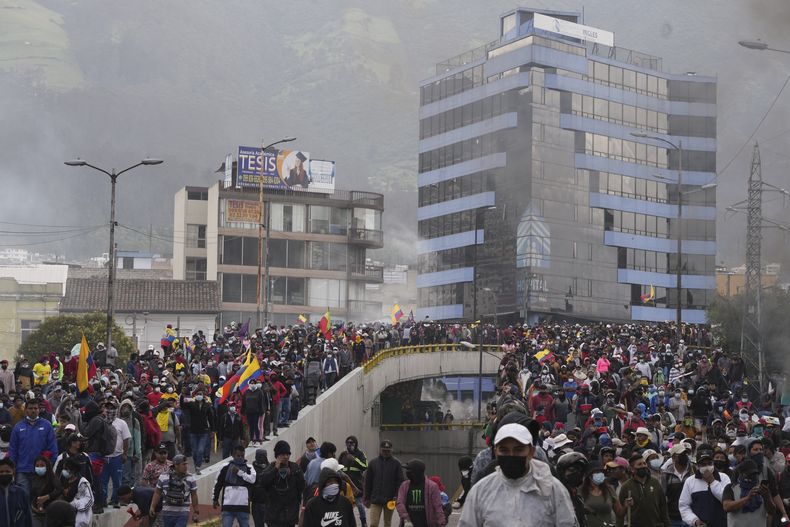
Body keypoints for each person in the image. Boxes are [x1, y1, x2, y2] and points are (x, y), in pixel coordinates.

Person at [459, 422, 576, 526]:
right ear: (495, 452)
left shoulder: (552, 489)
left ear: (531, 452)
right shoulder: (481, 491)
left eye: (518, 450)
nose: (511, 455)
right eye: (504, 450)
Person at [8, 398, 58, 493]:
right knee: (23, 498)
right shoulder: (18, 427)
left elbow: (53, 447)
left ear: (39, 410)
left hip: (41, 470)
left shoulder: (47, 425)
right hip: (22, 470)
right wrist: (12, 467)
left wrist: (50, 465)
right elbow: (13, 449)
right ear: (26, 410)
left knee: (39, 499)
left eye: (35, 408)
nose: (33, 410)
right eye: (30, 408)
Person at [678, 449, 729, 527]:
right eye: (703, 464)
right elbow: (684, 506)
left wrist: (713, 482)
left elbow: (727, 501)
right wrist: (694, 520)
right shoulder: (690, 481)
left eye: (709, 463)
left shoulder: (724, 478)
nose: (707, 467)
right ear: (697, 466)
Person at [260, 440, 305, 527]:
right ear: (277, 456)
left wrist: (291, 474)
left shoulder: (295, 468)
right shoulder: (271, 467)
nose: (285, 457)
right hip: (273, 516)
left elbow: (302, 486)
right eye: (282, 454)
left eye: (287, 454)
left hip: (290, 516)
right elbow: (262, 482)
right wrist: (275, 469)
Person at [619, 454, 670, 527]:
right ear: (632, 469)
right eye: (639, 464)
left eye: (644, 463)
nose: (643, 466)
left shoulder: (655, 482)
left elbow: (663, 508)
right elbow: (620, 514)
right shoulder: (626, 487)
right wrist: (625, 506)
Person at [212, 445, 257, 527]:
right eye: (238, 455)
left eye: (242, 456)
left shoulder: (249, 468)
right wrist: (215, 498)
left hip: (243, 507)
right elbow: (218, 484)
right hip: (228, 507)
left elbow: (252, 480)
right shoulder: (225, 467)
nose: (240, 458)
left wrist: (240, 472)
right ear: (233, 455)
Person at [150, 454, 200, 527]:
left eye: (186, 464)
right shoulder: (164, 477)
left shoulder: (191, 478)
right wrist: (152, 506)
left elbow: (194, 495)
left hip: (183, 513)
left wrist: (196, 511)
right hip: (167, 512)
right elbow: (157, 493)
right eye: (183, 464)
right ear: (176, 465)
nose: (186, 466)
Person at [363, 440, 405, 527]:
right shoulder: (373, 463)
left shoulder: (396, 464)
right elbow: (368, 482)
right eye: (384, 450)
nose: (386, 452)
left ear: (391, 450)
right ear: (380, 450)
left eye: (388, 451)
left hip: (390, 499)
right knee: (373, 523)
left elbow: (400, 481)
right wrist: (366, 497)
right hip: (375, 499)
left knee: (387, 523)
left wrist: (397, 496)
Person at [723, 459, 775, 527]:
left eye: (755, 474)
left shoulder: (762, 489)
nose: (752, 477)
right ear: (741, 474)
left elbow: (772, 511)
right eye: (749, 474)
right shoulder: (731, 488)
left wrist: (766, 497)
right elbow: (727, 507)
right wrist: (747, 498)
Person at [395, 459, 446, 527]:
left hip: (426, 524)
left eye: (409, 470)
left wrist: (441, 523)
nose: (406, 472)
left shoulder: (432, 487)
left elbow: (438, 506)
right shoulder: (404, 485)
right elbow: (399, 503)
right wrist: (406, 519)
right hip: (408, 524)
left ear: (416, 471)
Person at [103, 398, 132, 508]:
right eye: (108, 407)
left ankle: (115, 500)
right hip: (104, 457)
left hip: (117, 456)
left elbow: (126, 439)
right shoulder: (101, 421)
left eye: (112, 408)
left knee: (117, 481)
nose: (110, 410)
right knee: (103, 481)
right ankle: (103, 500)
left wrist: (125, 454)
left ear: (116, 409)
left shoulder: (121, 423)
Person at [182, 387, 214, 475]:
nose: (199, 396)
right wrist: (183, 395)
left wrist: (213, 430)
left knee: (200, 450)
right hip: (193, 431)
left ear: (203, 396)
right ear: (195, 396)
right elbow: (183, 405)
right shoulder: (192, 404)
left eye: (200, 395)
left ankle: (198, 466)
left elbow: (211, 418)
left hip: (204, 431)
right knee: (195, 451)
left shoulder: (207, 405)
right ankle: (196, 464)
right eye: (197, 395)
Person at [581, 463, 624, 527]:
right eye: (597, 472)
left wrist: (626, 505)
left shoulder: (609, 489)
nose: (600, 474)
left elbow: (619, 513)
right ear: (589, 475)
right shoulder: (580, 491)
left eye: (601, 472)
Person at [338, 435, 368, 527]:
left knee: (359, 504)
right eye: (348, 442)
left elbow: (365, 465)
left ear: (356, 444)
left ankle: (363, 522)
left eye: (352, 443)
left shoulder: (360, 453)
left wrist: (354, 459)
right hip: (345, 484)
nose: (350, 444)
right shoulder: (343, 454)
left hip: (356, 484)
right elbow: (338, 466)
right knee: (344, 504)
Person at [61, 457, 94, 527]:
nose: (64, 471)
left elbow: (90, 499)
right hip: (66, 515)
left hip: (79, 516)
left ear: (73, 470)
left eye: (66, 469)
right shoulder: (64, 480)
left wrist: (74, 504)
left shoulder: (82, 482)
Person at [30, 455, 62, 527]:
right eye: (37, 466)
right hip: (35, 512)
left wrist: (47, 497)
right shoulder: (34, 478)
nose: (39, 468)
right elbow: (32, 494)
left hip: (49, 514)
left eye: (42, 465)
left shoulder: (52, 477)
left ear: (47, 466)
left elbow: (59, 489)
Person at [0, 458, 32, 527]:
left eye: (8, 471)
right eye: (1, 472)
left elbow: (28, 517)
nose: (4, 474)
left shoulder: (21, 493)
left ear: (13, 472)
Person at [250, 449, 273, 527]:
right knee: (258, 524)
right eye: (259, 456)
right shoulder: (251, 469)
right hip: (256, 502)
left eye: (262, 456)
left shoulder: (271, 468)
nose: (261, 458)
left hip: (268, 502)